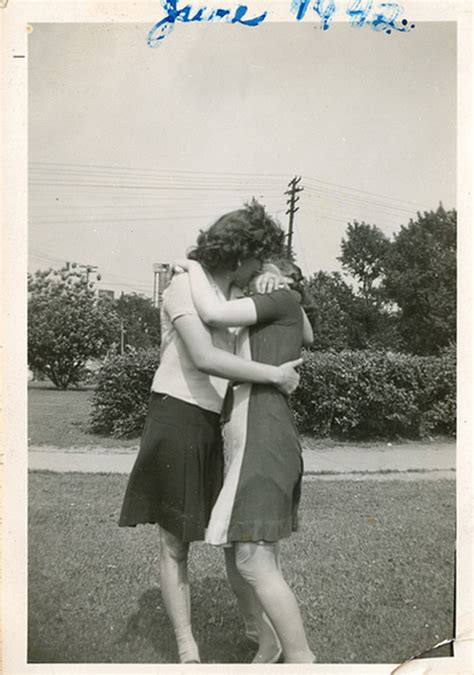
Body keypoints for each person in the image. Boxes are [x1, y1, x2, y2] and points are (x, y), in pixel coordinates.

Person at [118, 201, 301, 664]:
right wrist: (273, 375)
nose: (262, 263)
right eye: (260, 256)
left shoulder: (230, 297)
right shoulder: (184, 287)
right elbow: (203, 357)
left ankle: (257, 633)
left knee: (233, 535)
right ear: (240, 255)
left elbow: (299, 323)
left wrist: (276, 275)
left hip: (216, 422)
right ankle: (188, 649)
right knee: (175, 542)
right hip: (177, 416)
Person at [181, 255, 316, 664]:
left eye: (257, 269)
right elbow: (307, 334)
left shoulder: (282, 298)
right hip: (248, 424)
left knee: (252, 558)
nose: (246, 275)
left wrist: (190, 267)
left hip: (262, 427)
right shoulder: (278, 303)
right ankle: (268, 641)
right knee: (236, 548)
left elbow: (214, 311)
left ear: (283, 276)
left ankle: (301, 659)